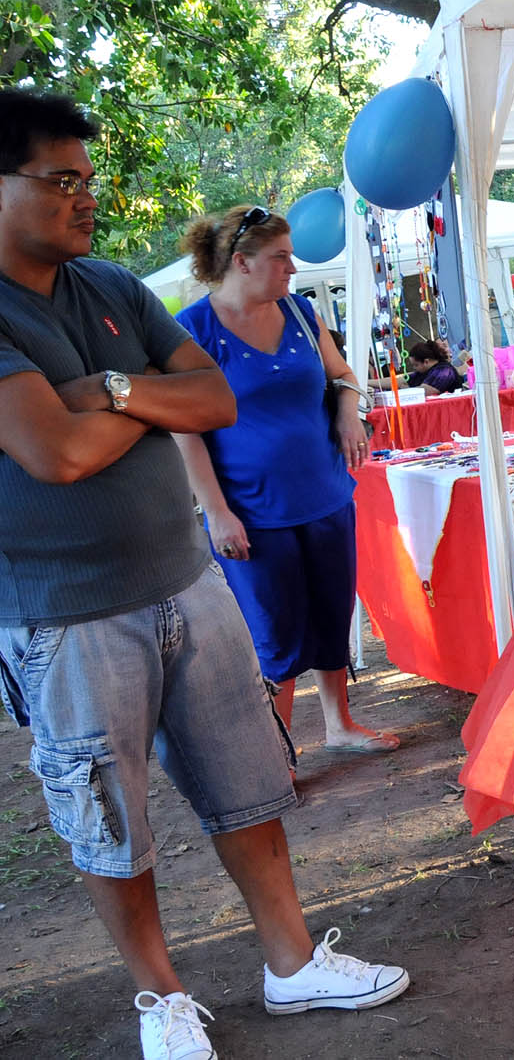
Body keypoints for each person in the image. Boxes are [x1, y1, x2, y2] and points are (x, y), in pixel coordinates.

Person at [0, 89, 407, 1060]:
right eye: (61, 180)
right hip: (66, 614)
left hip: (187, 583)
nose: (84, 197)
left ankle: (293, 962)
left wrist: (107, 390)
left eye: (88, 179)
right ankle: (162, 999)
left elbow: (213, 396)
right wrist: (151, 400)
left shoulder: (110, 290)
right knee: (108, 817)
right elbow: (52, 453)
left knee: (251, 782)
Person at [172, 205, 399, 768]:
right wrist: (216, 512)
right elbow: (185, 429)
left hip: (324, 495)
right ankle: (276, 754)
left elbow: (342, 374)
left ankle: (339, 726)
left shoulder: (299, 312)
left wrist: (348, 411)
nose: (292, 268)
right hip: (250, 509)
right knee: (272, 634)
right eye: (280, 258)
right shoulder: (194, 330)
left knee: (330, 611)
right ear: (242, 263)